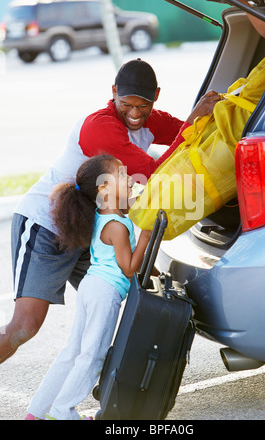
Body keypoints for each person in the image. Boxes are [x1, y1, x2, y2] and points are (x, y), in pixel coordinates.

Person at [0, 58, 216, 364]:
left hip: (88, 229)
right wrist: (194, 121)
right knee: (24, 327)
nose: (135, 113)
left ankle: (121, 378)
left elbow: (183, 136)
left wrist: (210, 118)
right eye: (127, 103)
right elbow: (157, 171)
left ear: (156, 95)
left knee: (144, 287)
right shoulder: (99, 128)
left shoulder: (147, 118)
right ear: (114, 92)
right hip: (45, 226)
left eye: (144, 105)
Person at [25, 154, 152, 420]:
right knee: (92, 356)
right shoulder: (116, 225)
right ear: (104, 188)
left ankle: (37, 412)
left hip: (91, 287)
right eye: (122, 175)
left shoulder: (105, 214)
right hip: (105, 292)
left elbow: (129, 206)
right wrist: (146, 238)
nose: (130, 179)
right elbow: (129, 268)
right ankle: (62, 412)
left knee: (73, 352)